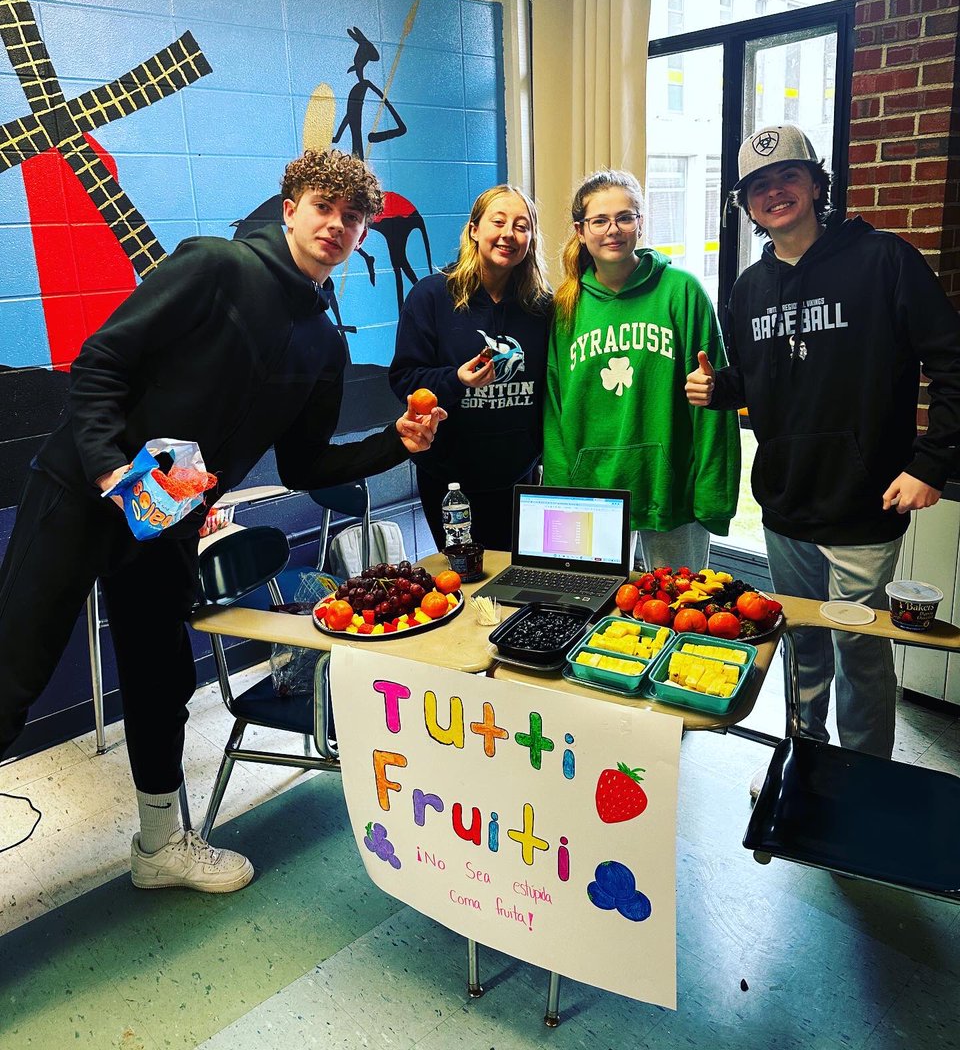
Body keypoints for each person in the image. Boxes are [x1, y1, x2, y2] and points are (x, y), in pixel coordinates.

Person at [0, 149, 443, 891]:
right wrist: (113, 469)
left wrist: (390, 443)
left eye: (353, 216)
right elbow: (102, 361)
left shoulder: (325, 345)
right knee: (12, 677)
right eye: (323, 206)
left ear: (365, 232)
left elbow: (306, 466)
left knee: (160, 676)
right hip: (83, 490)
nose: (336, 224)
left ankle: (160, 847)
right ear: (291, 206)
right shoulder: (215, 267)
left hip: (167, 522)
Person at [685, 123, 960, 775]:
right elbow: (762, 380)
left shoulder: (883, 260)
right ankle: (808, 760)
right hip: (784, 502)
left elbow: (952, 362)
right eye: (758, 186)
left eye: (787, 177)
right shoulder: (749, 289)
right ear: (746, 204)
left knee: (860, 652)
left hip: (863, 504)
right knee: (803, 641)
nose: (774, 192)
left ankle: (865, 781)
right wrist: (717, 388)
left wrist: (930, 463)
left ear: (815, 184)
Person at [543, 169, 740, 572]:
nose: (612, 230)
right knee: (589, 609)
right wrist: (562, 495)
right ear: (581, 231)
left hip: (671, 487)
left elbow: (713, 403)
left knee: (678, 611)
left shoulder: (681, 292)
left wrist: (713, 495)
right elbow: (554, 408)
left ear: (640, 224)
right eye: (599, 220)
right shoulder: (566, 306)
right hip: (591, 491)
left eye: (625, 217)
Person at [389, 185, 552, 552]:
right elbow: (404, 379)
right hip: (449, 482)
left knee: (518, 583)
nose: (509, 233)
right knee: (465, 584)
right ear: (474, 230)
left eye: (522, 225)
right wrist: (456, 379)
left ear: (531, 239)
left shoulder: (542, 307)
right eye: (498, 221)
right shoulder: (432, 296)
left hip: (519, 477)